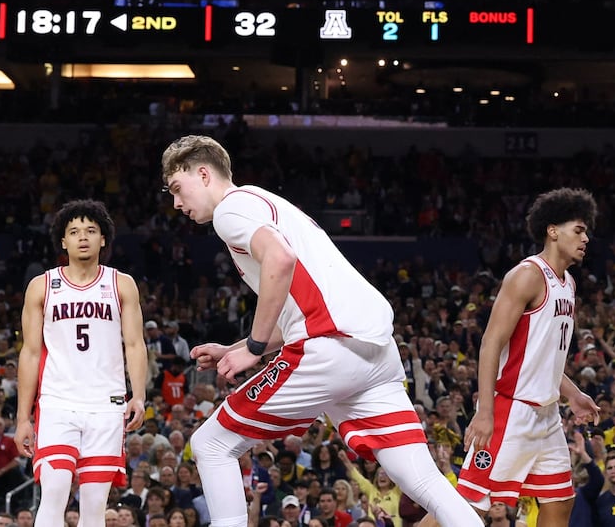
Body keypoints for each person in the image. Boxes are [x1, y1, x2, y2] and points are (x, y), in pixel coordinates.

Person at [160, 135, 483, 527]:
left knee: (210, 445)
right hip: (374, 351)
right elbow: (298, 300)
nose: (176, 203)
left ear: (204, 173)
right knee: (419, 476)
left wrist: (255, 347)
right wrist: (241, 345)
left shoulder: (231, 210)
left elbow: (281, 261)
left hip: (328, 349)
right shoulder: (264, 202)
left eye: (177, 188)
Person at [455, 188, 601, 525]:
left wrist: (573, 394)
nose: (586, 239)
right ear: (553, 231)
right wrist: (485, 413)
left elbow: (542, 358)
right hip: (510, 410)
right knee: (466, 511)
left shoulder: (568, 283)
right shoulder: (527, 275)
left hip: (547, 415)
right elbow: (491, 342)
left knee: (560, 500)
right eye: (578, 230)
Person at [15, 199, 148, 527]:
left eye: (91, 230)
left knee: (93, 506)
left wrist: (140, 396)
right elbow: (30, 353)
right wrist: (22, 419)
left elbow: (134, 343)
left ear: (104, 239)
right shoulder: (42, 286)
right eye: (74, 232)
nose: (83, 237)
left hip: (107, 404)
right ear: (64, 241)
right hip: (58, 401)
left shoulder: (121, 283)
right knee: (55, 491)